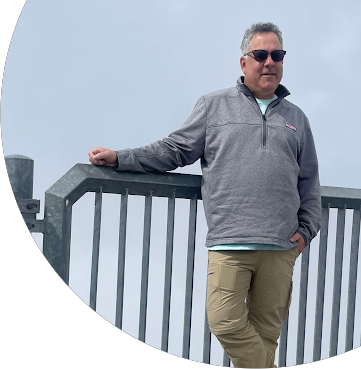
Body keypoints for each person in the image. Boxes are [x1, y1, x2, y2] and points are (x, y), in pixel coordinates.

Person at [88, 22, 322, 368]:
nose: (269, 62)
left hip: (281, 247)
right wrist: (123, 158)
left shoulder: (296, 118)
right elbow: (175, 149)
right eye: (261, 55)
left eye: (277, 55)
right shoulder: (214, 106)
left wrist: (306, 231)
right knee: (224, 321)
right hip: (230, 242)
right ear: (244, 62)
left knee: (265, 337)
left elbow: (310, 181)